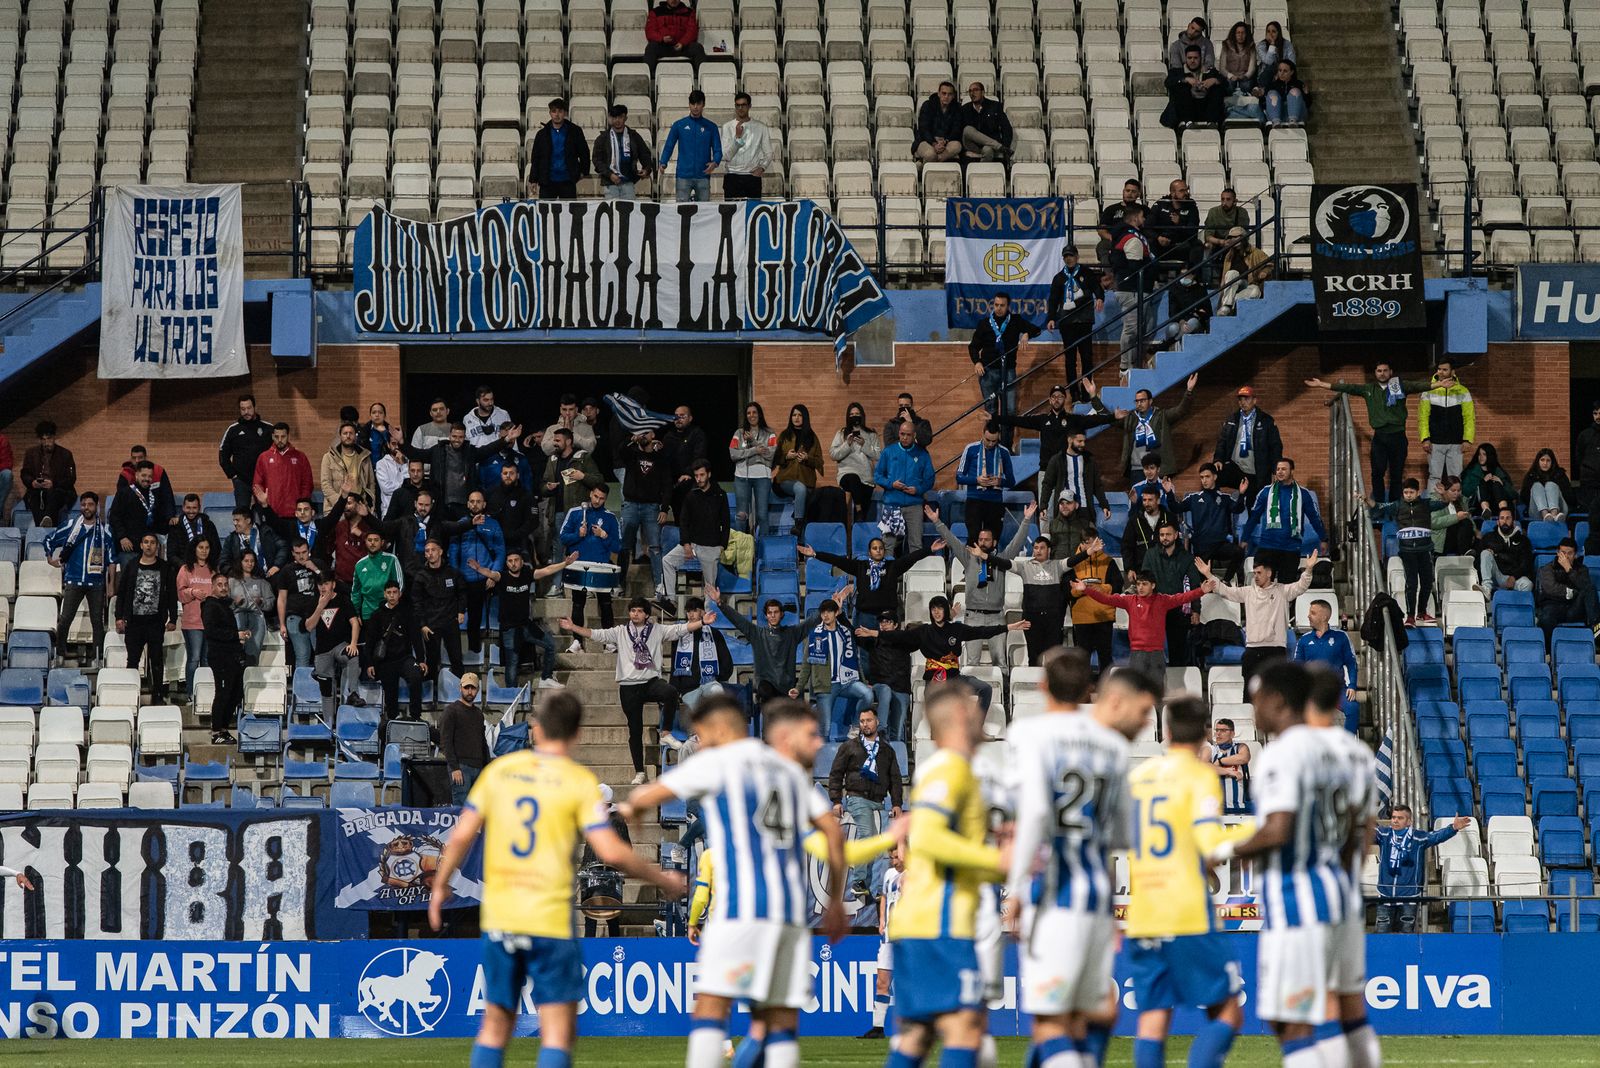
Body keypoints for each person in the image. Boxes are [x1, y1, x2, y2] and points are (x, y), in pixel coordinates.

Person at [428, 691, 684, 1068]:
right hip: (548, 921)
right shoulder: (576, 782)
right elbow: (610, 852)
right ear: (576, 733)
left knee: (496, 1026)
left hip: (502, 916)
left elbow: (463, 835)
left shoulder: (499, 772)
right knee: (557, 1031)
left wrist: (439, 885)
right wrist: (659, 876)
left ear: (535, 729)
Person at [625, 696, 845, 1068]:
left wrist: (633, 809)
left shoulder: (720, 761)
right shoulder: (789, 770)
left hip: (740, 910)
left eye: (701, 734)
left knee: (711, 1008)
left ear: (719, 729)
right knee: (780, 1022)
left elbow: (645, 796)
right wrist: (836, 902)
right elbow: (832, 833)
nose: (700, 742)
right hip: (789, 916)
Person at [1214, 662, 1365, 1067]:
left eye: (1257, 698)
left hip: (1297, 896)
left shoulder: (1284, 753)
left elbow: (1279, 828)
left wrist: (1221, 851)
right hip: (1335, 890)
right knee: (1336, 1011)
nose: (1253, 707)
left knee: (1291, 1018)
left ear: (1277, 700)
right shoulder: (1344, 752)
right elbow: (1357, 833)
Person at [1003, 662, 1151, 1068]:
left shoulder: (1029, 735)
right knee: (1093, 1015)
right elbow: (1122, 835)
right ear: (1089, 689)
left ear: (1043, 684)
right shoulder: (1114, 747)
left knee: (1051, 1024)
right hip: (1096, 898)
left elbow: (1032, 814)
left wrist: (1015, 888)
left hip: (1053, 895)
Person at [1125, 693, 1253, 1068]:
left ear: (1165, 731)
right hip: (1186, 912)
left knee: (1152, 1018)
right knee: (1229, 1012)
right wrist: (1253, 838)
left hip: (1144, 912)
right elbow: (1209, 845)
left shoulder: (1141, 776)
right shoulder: (1198, 777)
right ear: (1203, 734)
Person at [885, 683, 1009, 1068]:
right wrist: (995, 860)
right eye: (971, 710)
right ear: (958, 717)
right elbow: (930, 836)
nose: (979, 714)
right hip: (939, 922)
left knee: (918, 1036)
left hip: (926, 920)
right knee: (965, 1029)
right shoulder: (948, 768)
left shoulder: (951, 769)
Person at [559, 597, 703, 784]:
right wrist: (573, 628)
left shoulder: (657, 629)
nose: (635, 614)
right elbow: (596, 634)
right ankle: (639, 772)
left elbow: (680, 629)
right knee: (634, 731)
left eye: (640, 611)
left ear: (647, 614)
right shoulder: (620, 631)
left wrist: (702, 622)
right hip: (628, 687)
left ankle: (665, 733)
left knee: (670, 692)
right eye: (633, 610)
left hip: (650, 682)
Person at [1305, 363, 1432, 503]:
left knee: (1397, 474)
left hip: (1398, 436)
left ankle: (1395, 505)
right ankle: (1379, 504)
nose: (1382, 373)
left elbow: (1420, 386)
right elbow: (1348, 388)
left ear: (1391, 372)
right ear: (1375, 373)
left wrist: (1440, 384)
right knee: (1377, 472)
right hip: (1380, 437)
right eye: (1379, 371)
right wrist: (1321, 384)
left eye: (1385, 371)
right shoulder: (1369, 389)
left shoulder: (1400, 386)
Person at [928, 501, 1034, 667]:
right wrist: (937, 521)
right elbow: (952, 539)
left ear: (994, 542)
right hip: (973, 616)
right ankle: (972, 692)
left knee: (1000, 662)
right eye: (980, 539)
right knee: (972, 662)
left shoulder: (1002, 559)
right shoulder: (968, 558)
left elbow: (1017, 541)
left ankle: (1003, 691)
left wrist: (1026, 520)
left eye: (987, 540)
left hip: (997, 616)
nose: (983, 542)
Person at [710, 584, 822, 729]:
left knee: (793, 700)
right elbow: (738, 620)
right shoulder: (757, 633)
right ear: (766, 615)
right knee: (766, 693)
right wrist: (720, 603)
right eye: (770, 612)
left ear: (782, 614)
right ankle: (768, 739)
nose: (773, 615)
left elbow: (810, 622)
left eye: (776, 612)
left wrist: (830, 606)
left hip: (786, 685)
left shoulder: (792, 633)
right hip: (766, 684)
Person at [1198, 551, 1319, 685]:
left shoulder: (1282, 591)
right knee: (1249, 696)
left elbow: (1301, 586)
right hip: (1252, 650)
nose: (1255, 576)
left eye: (1259, 573)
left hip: (1276, 649)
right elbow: (1224, 590)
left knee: (1276, 693)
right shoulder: (1248, 592)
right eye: (1254, 573)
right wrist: (1208, 575)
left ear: (1269, 573)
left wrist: (1308, 569)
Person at [1074, 569, 1212, 683]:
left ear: (1153, 585)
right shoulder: (1130, 601)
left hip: (1157, 653)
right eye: (1138, 584)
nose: (1140, 587)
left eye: (1144, 584)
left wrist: (1201, 590)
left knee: (1156, 692)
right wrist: (1086, 589)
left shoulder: (1163, 601)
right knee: (1137, 692)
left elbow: (1182, 597)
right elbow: (1106, 599)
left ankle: (1157, 716)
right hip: (1137, 653)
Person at [828, 706, 905, 899]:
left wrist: (896, 803)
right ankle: (859, 881)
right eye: (862, 721)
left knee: (879, 847)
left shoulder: (887, 750)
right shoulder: (849, 746)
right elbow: (836, 773)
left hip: (879, 802)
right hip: (856, 797)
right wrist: (836, 800)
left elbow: (895, 778)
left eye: (869, 720)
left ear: (877, 722)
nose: (865, 724)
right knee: (867, 835)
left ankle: (875, 887)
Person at [911, 595, 1029, 711]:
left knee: (985, 689)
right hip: (934, 681)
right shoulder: (924, 631)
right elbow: (902, 639)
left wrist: (1007, 627)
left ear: (946, 610)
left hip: (954, 678)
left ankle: (976, 726)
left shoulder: (956, 629)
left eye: (940, 608)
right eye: (933, 609)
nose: (936, 612)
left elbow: (981, 631)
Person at [799, 535, 939, 630]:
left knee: (887, 653)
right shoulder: (860, 566)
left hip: (887, 617)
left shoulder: (892, 566)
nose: (878, 551)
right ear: (869, 551)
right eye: (874, 548)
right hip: (865, 616)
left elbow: (911, 558)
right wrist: (815, 554)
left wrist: (929, 550)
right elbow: (837, 560)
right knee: (865, 656)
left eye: (881, 548)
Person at [1369, 478, 1454, 624]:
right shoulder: (1397, 505)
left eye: (1411, 492)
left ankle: (1422, 613)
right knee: (1412, 584)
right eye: (1406, 492)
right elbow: (1379, 506)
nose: (1408, 495)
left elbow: (1445, 503)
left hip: (1425, 550)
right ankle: (1410, 616)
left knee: (1427, 583)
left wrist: (1443, 494)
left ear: (1418, 492)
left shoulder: (1426, 504)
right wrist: (1366, 500)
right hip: (1407, 551)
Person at [1375, 805, 1470, 933]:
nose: (1395, 821)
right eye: (1393, 817)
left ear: (1409, 821)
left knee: (1406, 937)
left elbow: (1436, 836)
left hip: (1409, 897)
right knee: (1382, 937)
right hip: (1385, 896)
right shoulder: (1384, 834)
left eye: (1400, 818)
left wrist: (1453, 828)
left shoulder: (1418, 838)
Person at [44, 490, 114, 660]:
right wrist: (49, 558)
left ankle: (97, 657)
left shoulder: (105, 531)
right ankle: (60, 653)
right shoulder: (70, 526)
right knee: (65, 619)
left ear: (96, 507)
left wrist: (110, 585)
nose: (86, 507)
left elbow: (112, 560)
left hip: (96, 583)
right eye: (83, 504)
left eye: (90, 504)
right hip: (73, 581)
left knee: (97, 622)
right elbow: (49, 539)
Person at [662, 460, 730, 612]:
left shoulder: (720, 495)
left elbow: (726, 521)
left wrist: (722, 546)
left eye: (702, 475)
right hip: (692, 544)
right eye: (696, 476)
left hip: (711, 546)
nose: (699, 478)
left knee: (710, 587)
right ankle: (671, 601)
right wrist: (686, 543)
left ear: (709, 474)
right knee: (667, 561)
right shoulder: (691, 495)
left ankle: (708, 619)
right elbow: (683, 521)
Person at [116, 533, 177, 703]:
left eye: (152, 543)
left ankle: (157, 696)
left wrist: (172, 618)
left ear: (157, 546)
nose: (149, 545)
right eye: (146, 542)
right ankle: (130, 696)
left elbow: (172, 594)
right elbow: (122, 593)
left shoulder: (165, 568)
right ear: (141, 545)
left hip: (155, 622)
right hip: (134, 622)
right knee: (133, 661)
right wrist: (119, 617)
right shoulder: (131, 565)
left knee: (156, 661)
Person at [1243, 458, 1323, 582]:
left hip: (1290, 548)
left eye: (1284, 469)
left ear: (1292, 471)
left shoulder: (1303, 494)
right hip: (1267, 547)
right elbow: (1254, 517)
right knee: (1262, 588)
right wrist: (1244, 538)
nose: (1280, 472)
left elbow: (1314, 518)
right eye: (1278, 469)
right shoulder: (1265, 492)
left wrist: (1323, 538)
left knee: (1287, 591)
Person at [967, 293, 1043, 426]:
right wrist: (977, 362)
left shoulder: (1015, 320)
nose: (999, 308)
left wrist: (1026, 334)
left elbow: (1037, 330)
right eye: (996, 305)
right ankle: (992, 443)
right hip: (988, 372)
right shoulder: (984, 324)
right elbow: (973, 347)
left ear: (1008, 306)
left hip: (1008, 371)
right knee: (991, 410)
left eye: (1002, 305)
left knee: (1010, 410)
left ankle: (1007, 445)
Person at [617, 426, 673, 601]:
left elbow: (667, 485)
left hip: (651, 507)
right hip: (631, 505)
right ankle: (619, 583)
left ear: (653, 435)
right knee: (624, 547)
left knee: (655, 548)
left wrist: (664, 508)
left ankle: (659, 586)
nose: (642, 435)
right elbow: (620, 452)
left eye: (646, 432)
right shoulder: (631, 454)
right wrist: (630, 440)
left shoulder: (661, 458)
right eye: (640, 432)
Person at [560, 483, 621, 643]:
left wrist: (604, 535)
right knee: (578, 604)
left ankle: (609, 642)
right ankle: (577, 641)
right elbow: (562, 537)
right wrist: (577, 534)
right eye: (595, 496)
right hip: (579, 565)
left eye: (601, 498)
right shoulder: (575, 513)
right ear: (590, 494)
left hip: (601, 567)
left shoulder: (610, 517)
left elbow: (618, 547)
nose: (597, 500)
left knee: (606, 604)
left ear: (606, 499)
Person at [1143, 519, 1208, 667]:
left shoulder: (1186, 558)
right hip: (1154, 610)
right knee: (1152, 653)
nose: (1164, 537)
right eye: (1161, 534)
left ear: (1176, 535)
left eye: (1168, 534)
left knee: (1178, 654)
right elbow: (1144, 582)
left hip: (1178, 611)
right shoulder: (1150, 555)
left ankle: (1177, 687)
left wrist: (1196, 610)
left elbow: (1193, 586)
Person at [362, 580, 428, 723]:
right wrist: (370, 664)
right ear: (384, 594)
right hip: (385, 661)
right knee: (390, 693)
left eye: (395, 592)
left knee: (416, 677)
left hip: (405, 658)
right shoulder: (377, 616)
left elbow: (416, 638)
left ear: (400, 594)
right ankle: (393, 719)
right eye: (389, 592)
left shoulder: (407, 613)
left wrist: (421, 660)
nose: (392, 595)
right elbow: (370, 642)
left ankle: (416, 716)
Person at [1118, 375, 1198, 486]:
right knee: (1138, 502)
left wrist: (1188, 391)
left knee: (1158, 501)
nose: (1139, 403)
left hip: (1156, 470)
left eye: (1142, 400)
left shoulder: (1161, 416)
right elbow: (1111, 421)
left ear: (1150, 401)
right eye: (1136, 401)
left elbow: (1181, 410)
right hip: (1136, 470)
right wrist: (1094, 398)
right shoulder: (1131, 418)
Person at [1045, 252, 1105, 397]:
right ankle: (1074, 394)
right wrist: (1051, 318)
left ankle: (1086, 392)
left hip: (1084, 320)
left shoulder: (1086, 272)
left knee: (1086, 357)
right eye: (1066, 256)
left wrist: (1100, 298)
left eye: (1071, 256)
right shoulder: (1059, 278)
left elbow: (1097, 287)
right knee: (1070, 359)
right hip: (1067, 321)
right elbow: (1053, 300)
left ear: (1077, 257)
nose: (1069, 259)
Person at [451, 490, 504, 654]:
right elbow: (453, 551)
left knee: (479, 615)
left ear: (484, 504)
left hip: (484, 577)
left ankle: (491, 652)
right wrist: (455, 576)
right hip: (464, 577)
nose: (475, 504)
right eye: (472, 501)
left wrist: (493, 574)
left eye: (478, 501)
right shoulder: (460, 524)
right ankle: (469, 651)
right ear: (467, 504)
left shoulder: (493, 524)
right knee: (465, 618)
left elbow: (500, 551)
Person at [1295, 600, 1360, 732]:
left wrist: (1352, 686)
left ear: (1324, 616)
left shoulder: (1341, 637)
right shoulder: (1304, 640)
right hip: (1312, 691)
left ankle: (1345, 746)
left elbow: (1351, 663)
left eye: (1312, 613)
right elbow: (1296, 669)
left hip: (1337, 690)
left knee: (1353, 708)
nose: (1308, 616)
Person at [1011, 534, 1078, 662]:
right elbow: (1005, 563)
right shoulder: (1024, 566)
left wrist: (1089, 552)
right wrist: (986, 556)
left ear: (1049, 550)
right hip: (1031, 618)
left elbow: (1072, 560)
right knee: (1033, 656)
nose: (1038, 551)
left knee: (1053, 659)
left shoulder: (1057, 565)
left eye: (1042, 548)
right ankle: (1034, 682)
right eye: (1036, 548)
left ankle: (1052, 681)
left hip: (1053, 619)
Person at [200, 573, 248, 744]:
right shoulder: (210, 606)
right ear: (212, 587)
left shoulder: (226, 605)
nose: (223, 587)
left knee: (236, 694)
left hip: (232, 655)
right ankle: (216, 732)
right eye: (219, 584)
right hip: (220, 656)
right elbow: (211, 631)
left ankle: (224, 728)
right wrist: (236, 635)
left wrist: (238, 639)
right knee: (223, 693)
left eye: (226, 584)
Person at [874, 419, 935, 554]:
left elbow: (930, 479)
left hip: (914, 506)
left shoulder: (922, 454)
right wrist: (891, 484)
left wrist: (918, 489)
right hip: (892, 504)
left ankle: (915, 575)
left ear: (914, 435)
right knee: (888, 544)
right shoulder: (889, 452)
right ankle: (888, 574)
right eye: (902, 434)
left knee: (916, 544)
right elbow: (878, 475)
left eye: (908, 435)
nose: (905, 437)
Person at [856, 611, 918, 743]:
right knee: (885, 690)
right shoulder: (873, 642)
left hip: (900, 689)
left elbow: (911, 636)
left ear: (896, 625)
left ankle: (896, 758)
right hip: (880, 686)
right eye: (881, 622)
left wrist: (874, 633)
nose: (883, 625)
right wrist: (841, 615)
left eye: (887, 622)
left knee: (897, 731)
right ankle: (881, 729)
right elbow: (854, 634)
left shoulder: (904, 641)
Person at [865, 843, 906, 1039]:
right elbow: (883, 897)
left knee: (914, 982)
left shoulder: (915, 873)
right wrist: (881, 920)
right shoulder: (889, 873)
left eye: (897, 857)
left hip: (909, 937)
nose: (894, 861)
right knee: (882, 981)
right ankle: (878, 1027)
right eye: (892, 857)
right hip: (889, 937)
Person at [1107, 204, 1155, 373]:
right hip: (1132, 290)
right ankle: (1125, 366)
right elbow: (1136, 267)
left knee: (1144, 327)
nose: (1144, 220)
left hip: (1135, 289)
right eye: (1142, 216)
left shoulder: (1129, 236)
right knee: (1132, 329)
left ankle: (1133, 362)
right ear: (1135, 218)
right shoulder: (1132, 238)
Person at [1067, 534, 1122, 676]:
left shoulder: (1109, 561)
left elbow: (1118, 585)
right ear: (1082, 544)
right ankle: (1083, 688)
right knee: (1082, 658)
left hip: (1104, 616)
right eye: (1090, 544)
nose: (1094, 547)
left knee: (1105, 655)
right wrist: (1081, 591)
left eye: (1096, 543)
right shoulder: (1072, 563)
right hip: (1082, 617)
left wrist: (1101, 589)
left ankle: (1106, 688)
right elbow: (1065, 591)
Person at [667, 596, 733, 710]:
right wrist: (675, 690)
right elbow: (674, 666)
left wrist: (716, 676)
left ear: (702, 612)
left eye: (694, 611)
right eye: (688, 611)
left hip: (710, 683)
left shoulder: (715, 634)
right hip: (688, 688)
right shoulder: (679, 636)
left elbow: (726, 662)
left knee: (718, 695)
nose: (691, 614)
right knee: (696, 718)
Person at [1039, 425, 1116, 520]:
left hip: (1085, 509)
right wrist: (1043, 506)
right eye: (1079, 441)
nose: (1083, 444)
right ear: (1070, 440)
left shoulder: (1089, 461)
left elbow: (1097, 485)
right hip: (1065, 510)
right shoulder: (1057, 460)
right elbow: (1048, 484)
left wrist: (1104, 505)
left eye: (1084, 441)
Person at [309, 572, 363, 707]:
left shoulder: (343, 600)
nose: (323, 587)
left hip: (340, 646)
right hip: (322, 650)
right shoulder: (313, 601)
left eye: (326, 583)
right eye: (320, 584)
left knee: (352, 655)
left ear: (333, 584)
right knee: (326, 692)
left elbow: (355, 623)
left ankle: (353, 694)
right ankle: (328, 724)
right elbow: (309, 627)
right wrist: (320, 606)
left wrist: (353, 643)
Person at [1418, 360, 1475, 488]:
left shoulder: (1463, 391)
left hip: (1456, 442)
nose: (1441, 372)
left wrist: (1467, 440)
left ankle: (1455, 507)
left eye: (1445, 370)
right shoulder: (1428, 390)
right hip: (1434, 442)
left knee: (1455, 477)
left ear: (1452, 372)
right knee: (1434, 477)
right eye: (1439, 369)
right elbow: (1423, 417)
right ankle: (1434, 506)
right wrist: (1425, 438)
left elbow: (1469, 418)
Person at [955, 420, 1015, 539]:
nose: (991, 444)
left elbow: (1011, 481)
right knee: (973, 539)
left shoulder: (1004, 452)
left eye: (994, 441)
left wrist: (1000, 482)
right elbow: (959, 477)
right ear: (982, 434)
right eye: (988, 440)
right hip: (974, 500)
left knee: (993, 541)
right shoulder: (971, 448)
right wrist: (976, 480)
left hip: (995, 502)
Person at [659, 90, 722, 202]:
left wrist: (715, 162)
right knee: (682, 211)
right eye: (693, 103)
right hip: (683, 175)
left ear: (703, 104)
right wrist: (663, 162)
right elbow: (669, 145)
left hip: (703, 175)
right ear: (689, 104)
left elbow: (717, 149)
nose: (695, 107)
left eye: (698, 103)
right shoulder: (679, 125)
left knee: (704, 212)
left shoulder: (711, 127)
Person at [176, 536, 219, 699]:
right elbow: (180, 594)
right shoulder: (185, 569)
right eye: (201, 547)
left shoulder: (213, 569)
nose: (204, 551)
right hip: (192, 621)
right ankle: (191, 693)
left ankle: (205, 693)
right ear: (194, 549)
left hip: (210, 621)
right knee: (194, 658)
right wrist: (193, 592)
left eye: (207, 547)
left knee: (207, 659)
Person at [108, 460, 173, 565]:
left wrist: (170, 521)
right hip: (128, 547)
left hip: (148, 550)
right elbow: (114, 517)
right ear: (136, 475)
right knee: (129, 580)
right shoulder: (124, 493)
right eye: (144, 475)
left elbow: (158, 520)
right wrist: (122, 537)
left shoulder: (154, 496)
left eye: (150, 476)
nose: (147, 479)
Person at [438, 672, 490, 805]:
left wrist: (487, 766)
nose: (469, 691)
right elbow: (446, 742)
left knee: (477, 810)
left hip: (478, 768)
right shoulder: (451, 711)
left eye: (473, 688)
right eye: (466, 688)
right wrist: (455, 768)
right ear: (460, 688)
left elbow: (482, 742)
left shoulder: (478, 714)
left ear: (477, 690)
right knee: (460, 810)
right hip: (461, 768)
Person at [774, 403, 824, 538]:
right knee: (800, 489)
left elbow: (820, 462)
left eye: (800, 415)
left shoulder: (812, 437)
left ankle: (801, 540)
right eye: (794, 415)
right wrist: (786, 456)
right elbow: (774, 459)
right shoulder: (785, 435)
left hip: (807, 480)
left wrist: (808, 458)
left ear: (805, 417)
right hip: (785, 480)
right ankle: (798, 525)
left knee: (804, 491)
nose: (796, 418)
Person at [218, 395, 274, 509]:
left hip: (264, 480)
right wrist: (233, 476)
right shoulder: (233, 430)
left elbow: (277, 453)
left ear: (254, 407)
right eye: (243, 409)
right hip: (241, 481)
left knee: (266, 512)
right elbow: (223, 454)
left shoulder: (268, 428)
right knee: (242, 513)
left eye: (249, 408)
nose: (246, 412)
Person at [731, 401, 778, 536]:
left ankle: (763, 550)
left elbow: (770, 454)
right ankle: (741, 550)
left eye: (754, 412)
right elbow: (733, 454)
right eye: (748, 413)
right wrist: (754, 451)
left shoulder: (770, 433)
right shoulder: (739, 433)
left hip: (762, 477)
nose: (751, 415)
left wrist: (754, 442)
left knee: (762, 515)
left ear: (759, 414)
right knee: (741, 515)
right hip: (741, 477)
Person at [830, 402, 883, 522]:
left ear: (862, 415)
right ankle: (858, 509)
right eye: (852, 414)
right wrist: (847, 444)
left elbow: (879, 455)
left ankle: (859, 526)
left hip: (866, 477)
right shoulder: (841, 433)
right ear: (848, 417)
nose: (854, 416)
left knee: (863, 517)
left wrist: (864, 445)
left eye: (857, 414)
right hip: (846, 473)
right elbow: (833, 454)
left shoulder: (871, 434)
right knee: (853, 478)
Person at [528, 97, 589, 200]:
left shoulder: (575, 132)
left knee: (568, 213)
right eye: (554, 111)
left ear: (565, 113)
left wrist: (583, 171)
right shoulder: (542, 134)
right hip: (547, 182)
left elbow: (584, 152)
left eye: (560, 111)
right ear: (550, 113)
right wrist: (533, 179)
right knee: (545, 213)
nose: (557, 115)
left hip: (568, 181)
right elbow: (536, 158)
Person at [1537, 538, 1600, 636]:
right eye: (1563, 553)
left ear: (1575, 555)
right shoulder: (1547, 569)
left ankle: (1596, 634)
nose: (1566, 557)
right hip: (1553, 606)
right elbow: (1551, 589)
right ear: (1558, 553)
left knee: (1591, 588)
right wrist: (1573, 592)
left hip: (1574, 607)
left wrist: (1569, 569)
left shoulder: (1582, 569)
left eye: (1569, 553)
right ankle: (1548, 648)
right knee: (1546, 616)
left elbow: (1585, 587)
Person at [252, 422, 314, 520]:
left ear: (288, 436)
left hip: (295, 513)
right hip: (271, 512)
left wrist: (301, 503)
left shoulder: (300, 457)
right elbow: (257, 484)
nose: (280, 440)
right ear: (272, 436)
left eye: (283, 436)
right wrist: (264, 502)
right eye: (276, 437)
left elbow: (307, 483)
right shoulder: (263, 457)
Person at [20, 420, 76, 527]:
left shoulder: (65, 454)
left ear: (54, 437)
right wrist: (32, 482)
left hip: (59, 489)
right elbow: (24, 473)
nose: (46, 443)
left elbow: (71, 478)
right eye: (43, 440)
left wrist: (53, 483)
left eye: (49, 439)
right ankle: (44, 524)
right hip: (37, 490)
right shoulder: (31, 453)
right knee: (33, 497)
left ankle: (45, 523)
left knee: (55, 495)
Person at [592, 104, 655, 199]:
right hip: (610, 183)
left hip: (628, 182)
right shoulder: (603, 138)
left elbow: (644, 154)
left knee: (629, 212)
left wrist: (646, 169)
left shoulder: (634, 136)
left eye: (620, 117)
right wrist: (609, 174)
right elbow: (597, 160)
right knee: (612, 213)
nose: (617, 120)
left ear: (625, 118)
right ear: (610, 118)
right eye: (614, 117)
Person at [720, 92, 772, 199]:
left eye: (743, 105)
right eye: (737, 105)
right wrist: (737, 139)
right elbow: (726, 156)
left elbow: (768, 153)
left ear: (749, 106)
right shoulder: (727, 127)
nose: (740, 108)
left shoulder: (761, 127)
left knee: (753, 214)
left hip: (752, 177)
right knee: (732, 214)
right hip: (732, 176)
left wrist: (762, 168)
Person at [1162, 45, 1226, 129]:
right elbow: (1168, 82)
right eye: (1190, 58)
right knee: (1181, 87)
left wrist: (1214, 80)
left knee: (1217, 88)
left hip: (1205, 107)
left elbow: (1225, 83)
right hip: (1185, 109)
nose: (1192, 61)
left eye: (1195, 58)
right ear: (1185, 58)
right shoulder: (1177, 72)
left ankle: (1212, 122)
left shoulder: (1210, 72)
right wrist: (1185, 79)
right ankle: (1188, 122)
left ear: (1200, 58)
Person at [664, 404, 709, 521]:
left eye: (682, 416)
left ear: (690, 418)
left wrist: (689, 473)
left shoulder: (697, 433)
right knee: (679, 519)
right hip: (674, 487)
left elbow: (699, 457)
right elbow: (665, 461)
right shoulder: (669, 436)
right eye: (676, 416)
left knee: (694, 518)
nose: (678, 419)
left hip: (692, 483)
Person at [320, 422, 377, 514]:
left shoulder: (364, 457)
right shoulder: (329, 457)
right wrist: (340, 503)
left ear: (355, 436)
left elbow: (371, 483)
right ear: (340, 436)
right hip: (335, 508)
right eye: (345, 433)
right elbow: (325, 484)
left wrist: (369, 504)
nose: (348, 436)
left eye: (351, 433)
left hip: (359, 506)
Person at [1479, 503, 1536, 593]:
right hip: (1495, 575)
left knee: (1527, 584)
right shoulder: (1488, 538)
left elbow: (1526, 563)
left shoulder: (1523, 540)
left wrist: (1514, 577)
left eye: (1508, 518)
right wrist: (1493, 554)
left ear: (1513, 521)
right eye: (1502, 518)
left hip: (1514, 577)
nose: (1504, 521)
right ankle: (1486, 589)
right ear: (1498, 522)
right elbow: (1481, 561)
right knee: (1485, 553)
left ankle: (1517, 606)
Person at [228, 551, 273, 663]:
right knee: (235, 653)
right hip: (237, 616)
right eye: (246, 561)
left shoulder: (262, 582)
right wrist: (235, 603)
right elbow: (224, 605)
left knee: (253, 654)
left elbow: (270, 603)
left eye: (252, 561)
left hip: (256, 617)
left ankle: (250, 675)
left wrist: (261, 602)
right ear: (240, 562)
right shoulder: (231, 582)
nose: (249, 564)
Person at [1216, 229, 1273, 315]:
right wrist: (1220, 299)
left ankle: (1229, 304)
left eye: (1236, 237)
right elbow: (1224, 279)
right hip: (1233, 285)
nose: (1234, 240)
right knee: (1232, 273)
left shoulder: (1256, 252)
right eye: (1232, 237)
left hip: (1248, 284)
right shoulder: (1229, 255)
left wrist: (1264, 271)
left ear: (1244, 238)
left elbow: (1270, 264)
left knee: (1255, 291)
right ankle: (1227, 305)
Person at [1151, 177, 1202, 273]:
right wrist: (1158, 237)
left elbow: (1193, 232)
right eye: (1182, 191)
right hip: (1162, 245)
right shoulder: (1160, 204)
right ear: (1173, 193)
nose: (1186, 193)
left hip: (1182, 244)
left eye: (1186, 190)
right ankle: (1153, 279)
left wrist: (1180, 223)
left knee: (1197, 245)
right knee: (1149, 242)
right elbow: (1148, 227)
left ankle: (1192, 279)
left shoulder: (1191, 207)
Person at [957, 81, 1012, 160]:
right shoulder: (964, 109)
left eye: (976, 90)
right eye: (970, 91)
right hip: (972, 145)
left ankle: (982, 171)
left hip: (989, 145)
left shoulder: (995, 106)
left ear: (983, 92)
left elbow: (1006, 127)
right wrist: (962, 152)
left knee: (988, 150)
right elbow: (959, 131)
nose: (972, 93)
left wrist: (1006, 144)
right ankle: (1000, 147)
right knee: (967, 129)